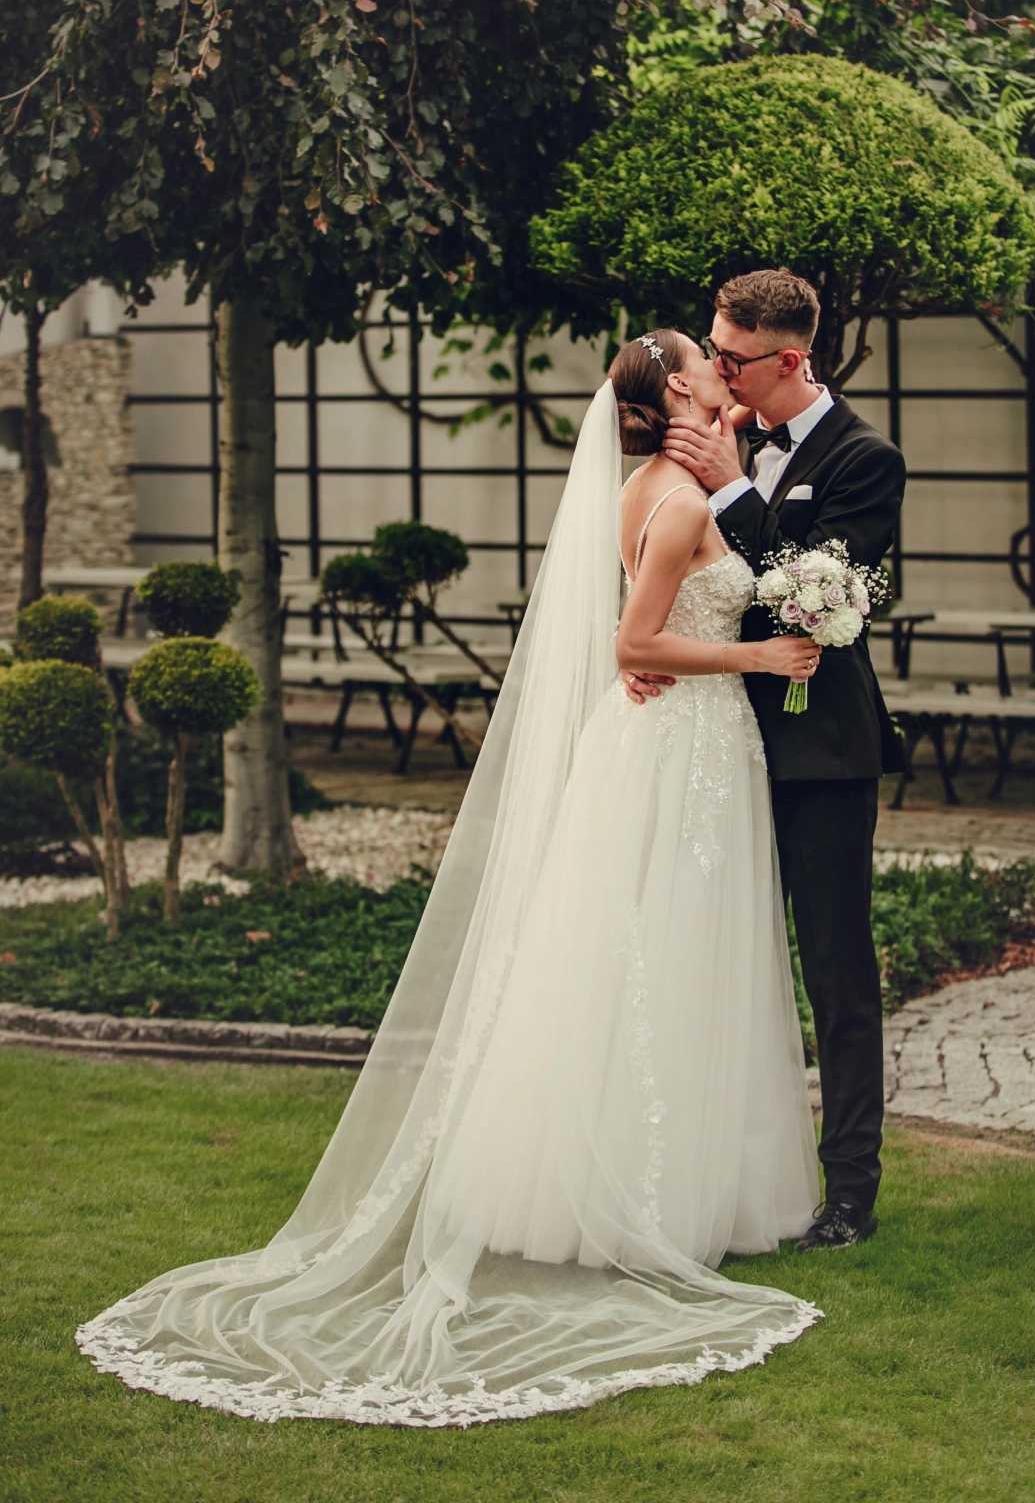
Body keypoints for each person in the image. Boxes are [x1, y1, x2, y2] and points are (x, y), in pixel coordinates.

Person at [78, 331, 823, 1430]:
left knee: (656, 957)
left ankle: (653, 1189)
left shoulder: (661, 483)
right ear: (677, 388)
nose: (724, 366)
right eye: (706, 359)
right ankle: (645, 1204)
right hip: (683, 748)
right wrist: (758, 655)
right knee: (659, 957)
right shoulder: (673, 503)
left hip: (686, 748)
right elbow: (634, 647)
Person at [628, 269, 905, 1250]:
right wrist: (660, 654)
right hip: (721, 743)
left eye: (732, 356)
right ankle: (708, 1179)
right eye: (712, 351)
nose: (719, 368)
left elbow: (816, 595)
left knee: (835, 969)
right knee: (713, 961)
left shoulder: (866, 459)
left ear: (789, 358)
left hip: (822, 752)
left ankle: (849, 1192)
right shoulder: (725, 437)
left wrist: (734, 488)